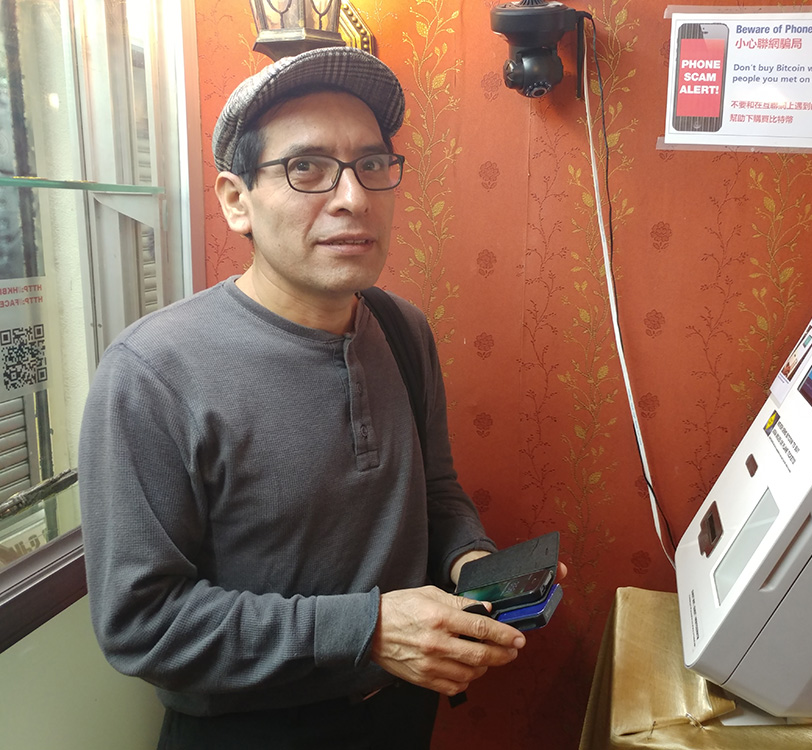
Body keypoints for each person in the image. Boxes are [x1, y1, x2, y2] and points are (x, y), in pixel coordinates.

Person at [78, 46, 534, 749]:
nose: (353, 197)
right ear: (237, 201)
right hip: (253, 730)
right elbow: (141, 624)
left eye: (372, 164)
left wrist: (472, 563)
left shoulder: (403, 331)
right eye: (307, 167)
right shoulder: (152, 373)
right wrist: (369, 629)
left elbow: (435, 492)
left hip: (401, 713)